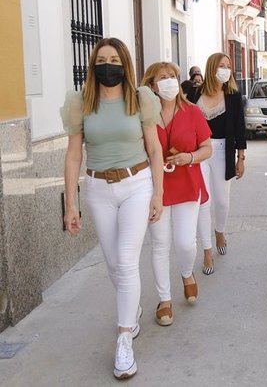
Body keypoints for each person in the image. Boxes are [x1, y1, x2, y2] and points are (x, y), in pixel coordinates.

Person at [61, 37, 164, 379]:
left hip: (136, 184)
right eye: (102, 59)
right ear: (93, 65)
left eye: (115, 60)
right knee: (113, 265)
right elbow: (74, 154)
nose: (109, 65)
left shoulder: (140, 99)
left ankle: (124, 340)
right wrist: (70, 204)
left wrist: (158, 193)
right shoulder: (81, 103)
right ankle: (131, 308)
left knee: (125, 260)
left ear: (125, 65)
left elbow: (154, 149)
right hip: (97, 188)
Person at [140, 62, 212, 326]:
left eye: (172, 76)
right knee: (160, 244)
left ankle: (186, 274)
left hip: (187, 183)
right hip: (154, 186)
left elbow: (207, 148)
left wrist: (189, 157)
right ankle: (164, 300)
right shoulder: (143, 115)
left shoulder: (192, 111)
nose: (169, 81)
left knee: (184, 242)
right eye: (163, 77)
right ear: (151, 85)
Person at [194, 53, 246, 275]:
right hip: (198, 153)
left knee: (222, 202)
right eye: (221, 65)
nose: (225, 70)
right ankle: (206, 250)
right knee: (202, 202)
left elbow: (240, 128)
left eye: (228, 66)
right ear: (211, 67)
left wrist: (240, 158)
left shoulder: (233, 95)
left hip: (224, 151)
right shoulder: (194, 92)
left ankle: (220, 231)